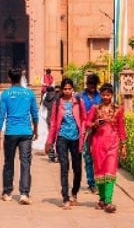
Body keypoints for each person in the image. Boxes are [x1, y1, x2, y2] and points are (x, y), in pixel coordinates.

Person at [0, 67, 38, 204]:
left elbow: (1, 115)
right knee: (25, 163)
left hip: (11, 132)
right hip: (25, 132)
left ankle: (7, 192)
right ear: (21, 78)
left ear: (9, 78)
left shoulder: (5, 94)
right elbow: (34, 114)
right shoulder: (29, 94)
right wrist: (35, 129)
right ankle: (24, 193)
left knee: (8, 162)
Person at [84, 83, 127, 213]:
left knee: (110, 172)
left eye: (108, 94)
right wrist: (95, 123)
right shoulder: (95, 108)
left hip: (113, 143)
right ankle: (102, 198)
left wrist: (124, 145)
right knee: (100, 171)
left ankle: (108, 201)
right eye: (103, 94)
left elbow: (121, 128)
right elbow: (86, 123)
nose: (106, 97)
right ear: (100, 95)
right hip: (98, 143)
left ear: (112, 95)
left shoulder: (118, 109)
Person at [44, 77, 86, 208]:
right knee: (64, 167)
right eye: (65, 89)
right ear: (62, 90)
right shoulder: (58, 103)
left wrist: (83, 133)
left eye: (69, 88)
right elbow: (53, 123)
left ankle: (74, 193)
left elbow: (84, 119)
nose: (67, 91)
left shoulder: (78, 101)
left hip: (76, 138)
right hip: (62, 137)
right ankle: (65, 197)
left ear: (72, 89)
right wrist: (49, 141)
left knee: (77, 168)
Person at [77, 73, 102, 193]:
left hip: (99, 130)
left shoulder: (100, 96)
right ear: (87, 84)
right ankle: (91, 182)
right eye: (90, 84)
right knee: (87, 156)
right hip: (85, 129)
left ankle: (99, 180)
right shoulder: (80, 97)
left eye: (94, 84)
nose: (92, 87)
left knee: (98, 155)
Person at [40, 83, 61, 162]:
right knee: (59, 137)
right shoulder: (57, 96)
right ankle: (58, 155)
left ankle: (51, 155)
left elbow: (44, 104)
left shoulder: (46, 97)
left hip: (49, 117)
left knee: (51, 136)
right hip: (56, 117)